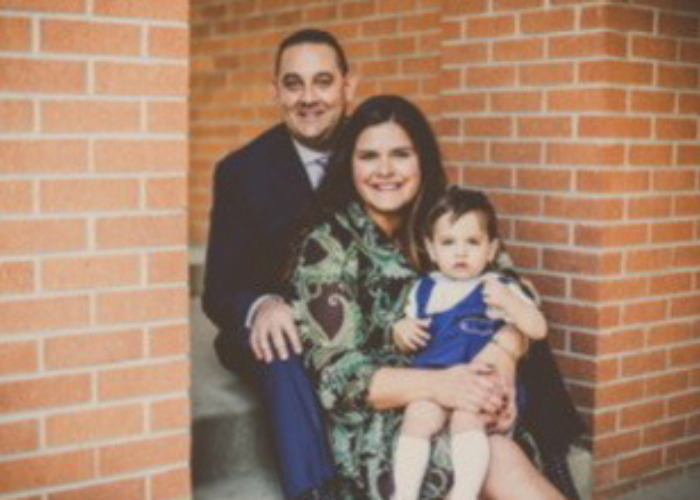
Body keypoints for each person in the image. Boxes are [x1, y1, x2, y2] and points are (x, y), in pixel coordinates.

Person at [289, 94, 574, 499]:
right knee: (493, 454)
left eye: (401, 154)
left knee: (485, 438)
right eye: (369, 156)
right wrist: (444, 385)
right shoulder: (328, 246)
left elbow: (512, 287)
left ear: (422, 159)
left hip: (470, 394)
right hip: (386, 420)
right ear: (348, 164)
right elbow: (339, 380)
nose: (385, 170)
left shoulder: (449, 217)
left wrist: (498, 367)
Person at [202, 28, 357, 500]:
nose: (308, 97)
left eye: (323, 81)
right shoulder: (241, 171)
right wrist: (263, 304)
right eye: (293, 84)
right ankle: (315, 491)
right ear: (275, 92)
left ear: (348, 86)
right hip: (282, 328)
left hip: (360, 321)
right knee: (280, 343)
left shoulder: (375, 151)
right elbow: (219, 288)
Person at [391, 186, 547, 500]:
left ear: (491, 250)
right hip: (434, 381)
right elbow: (407, 335)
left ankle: (465, 492)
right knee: (418, 414)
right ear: (431, 249)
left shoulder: (495, 287)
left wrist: (513, 305)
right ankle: (404, 493)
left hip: (482, 387)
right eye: (448, 243)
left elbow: (537, 328)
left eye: (472, 242)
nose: (460, 253)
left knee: (466, 418)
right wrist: (402, 329)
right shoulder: (424, 289)